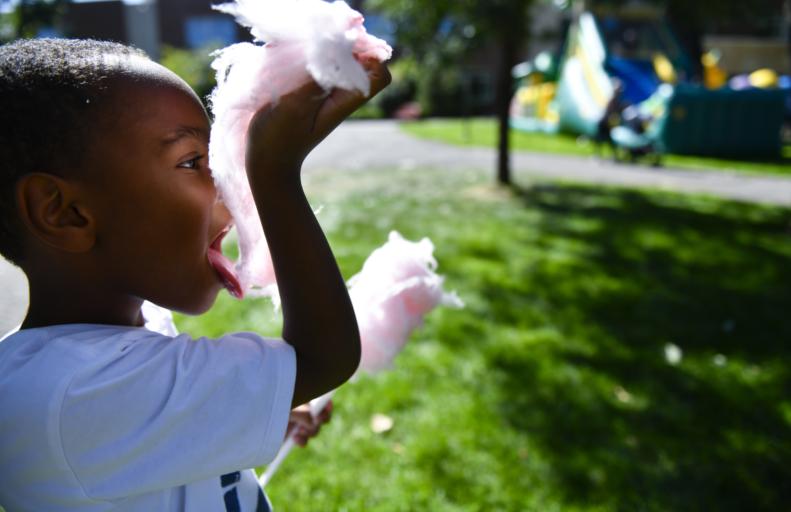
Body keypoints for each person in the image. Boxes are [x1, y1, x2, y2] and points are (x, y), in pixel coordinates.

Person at [0, 38, 389, 511]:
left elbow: (152, 440)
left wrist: (254, 415)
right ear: (65, 213)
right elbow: (322, 359)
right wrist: (273, 168)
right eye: (191, 162)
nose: (225, 182)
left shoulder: (123, 343)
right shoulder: (66, 395)